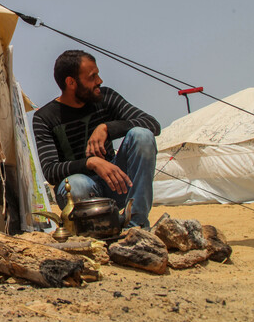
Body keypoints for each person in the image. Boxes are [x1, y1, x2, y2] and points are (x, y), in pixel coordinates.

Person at [32, 50, 161, 228]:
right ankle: (100, 228)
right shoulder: (45, 117)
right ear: (71, 82)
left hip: (116, 183)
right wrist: (91, 163)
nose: (99, 81)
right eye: (92, 77)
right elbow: (51, 171)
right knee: (77, 184)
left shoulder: (105, 97)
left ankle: (137, 225)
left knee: (142, 135)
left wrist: (107, 128)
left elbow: (152, 124)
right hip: (79, 193)